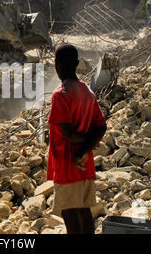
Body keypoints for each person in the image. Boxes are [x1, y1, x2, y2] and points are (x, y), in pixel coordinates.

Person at [46, 44, 107, 234]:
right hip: (85, 163)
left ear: (57, 66)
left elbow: (68, 134)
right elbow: (101, 126)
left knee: (69, 213)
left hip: (67, 164)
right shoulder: (87, 92)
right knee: (84, 210)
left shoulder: (60, 95)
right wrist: (86, 148)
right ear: (78, 64)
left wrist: (80, 148)